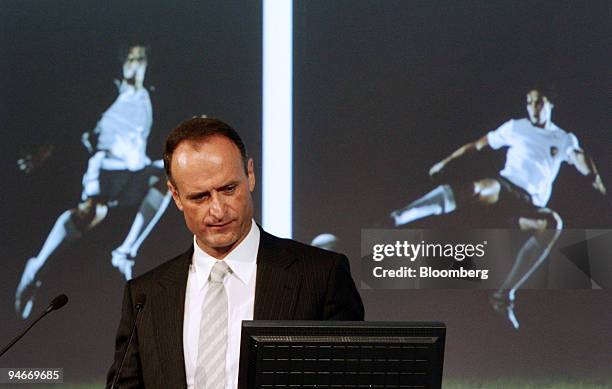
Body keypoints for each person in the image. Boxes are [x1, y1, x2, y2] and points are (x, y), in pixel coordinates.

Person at [106, 117, 364, 389]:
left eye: (229, 189)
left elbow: (350, 380)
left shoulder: (320, 276)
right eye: (200, 197)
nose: (218, 210)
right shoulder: (145, 296)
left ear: (250, 174)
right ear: (176, 196)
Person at [390, 89, 606, 329]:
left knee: (553, 224)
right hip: (505, 188)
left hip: (531, 206)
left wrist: (594, 179)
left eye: (538, 102)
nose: (533, 107)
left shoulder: (564, 138)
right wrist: (446, 161)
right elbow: (479, 145)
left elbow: (580, 159)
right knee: (478, 189)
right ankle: (397, 217)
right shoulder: (516, 127)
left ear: (550, 104)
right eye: (529, 103)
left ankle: (503, 297)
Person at [15, 45, 172, 319]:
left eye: (140, 60)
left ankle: (125, 251)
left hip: (135, 169)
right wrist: (45, 150)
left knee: (170, 175)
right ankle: (36, 268)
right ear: (122, 65)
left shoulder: (149, 95)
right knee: (92, 212)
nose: (136, 66)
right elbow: (73, 119)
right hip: (107, 166)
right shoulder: (108, 91)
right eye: (131, 60)